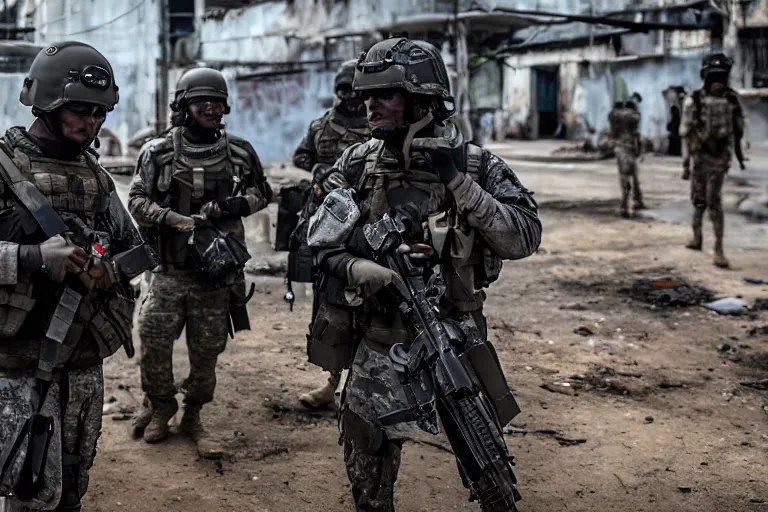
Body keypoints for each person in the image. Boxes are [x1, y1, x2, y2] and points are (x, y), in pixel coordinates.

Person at [311, 38, 542, 511]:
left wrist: (460, 184)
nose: (369, 105)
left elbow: (523, 239)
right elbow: (314, 237)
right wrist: (356, 263)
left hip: (453, 338)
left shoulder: (475, 164)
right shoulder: (358, 163)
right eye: (366, 95)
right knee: (368, 466)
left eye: (384, 95)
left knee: (487, 465)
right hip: (378, 341)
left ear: (420, 101)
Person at [0, 41, 144, 511]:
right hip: (15, 368)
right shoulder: (3, 169)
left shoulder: (96, 177)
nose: (94, 123)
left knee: (71, 486)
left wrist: (107, 270)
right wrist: (32, 258)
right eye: (81, 111)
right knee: (25, 490)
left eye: (101, 113)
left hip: (81, 361)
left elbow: (134, 250)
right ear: (46, 103)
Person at [128, 67, 272, 458]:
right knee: (154, 345)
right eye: (201, 101)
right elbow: (136, 202)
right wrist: (171, 218)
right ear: (183, 106)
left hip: (215, 274)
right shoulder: (157, 152)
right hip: (169, 272)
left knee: (206, 353)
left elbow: (263, 191)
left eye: (218, 102)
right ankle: (160, 407)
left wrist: (234, 205)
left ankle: (192, 416)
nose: (212, 108)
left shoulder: (239, 151)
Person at [290, 59, 370, 410]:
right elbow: (300, 157)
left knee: (370, 304)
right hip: (328, 226)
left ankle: (366, 384)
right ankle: (332, 382)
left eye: (354, 90)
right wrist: (322, 172)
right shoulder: (321, 125)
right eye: (342, 90)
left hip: (367, 224)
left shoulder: (377, 125)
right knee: (329, 307)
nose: (348, 97)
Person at [680, 53, 744, 268]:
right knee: (698, 200)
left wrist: (738, 155)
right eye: (714, 78)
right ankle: (697, 238)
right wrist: (686, 164)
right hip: (700, 157)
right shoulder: (695, 100)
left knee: (713, 201)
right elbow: (687, 133)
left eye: (721, 78)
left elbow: (738, 131)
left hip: (717, 159)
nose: (718, 83)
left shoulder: (730, 100)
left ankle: (718, 248)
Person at [608, 92, 645, 217]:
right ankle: (630, 202)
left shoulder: (615, 115)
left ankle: (628, 203)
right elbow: (637, 134)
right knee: (632, 174)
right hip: (630, 147)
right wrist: (640, 150)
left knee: (625, 175)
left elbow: (612, 122)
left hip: (620, 147)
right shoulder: (634, 116)